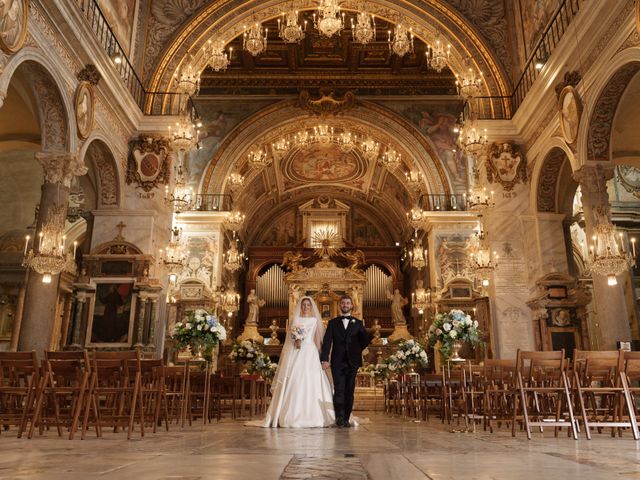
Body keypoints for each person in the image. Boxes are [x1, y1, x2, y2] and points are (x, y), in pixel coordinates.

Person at [255, 296, 335, 428]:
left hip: (310, 352)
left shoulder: (315, 320)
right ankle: (290, 414)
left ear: (311, 307)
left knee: (311, 380)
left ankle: (314, 416)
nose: (305, 307)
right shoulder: (294, 320)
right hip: (296, 352)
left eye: (308, 305)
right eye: (303, 305)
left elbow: (317, 341)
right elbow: (289, 339)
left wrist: (323, 358)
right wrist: (296, 339)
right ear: (300, 306)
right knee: (295, 379)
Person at [321, 295, 371, 428]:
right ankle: (339, 418)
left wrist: (356, 348)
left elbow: (365, 340)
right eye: (343, 303)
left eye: (348, 303)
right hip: (337, 361)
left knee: (350, 390)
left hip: (353, 362)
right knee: (339, 389)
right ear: (340, 305)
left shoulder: (358, 323)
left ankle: (347, 417)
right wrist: (324, 358)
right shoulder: (333, 323)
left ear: (351, 305)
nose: (345, 305)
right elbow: (327, 342)